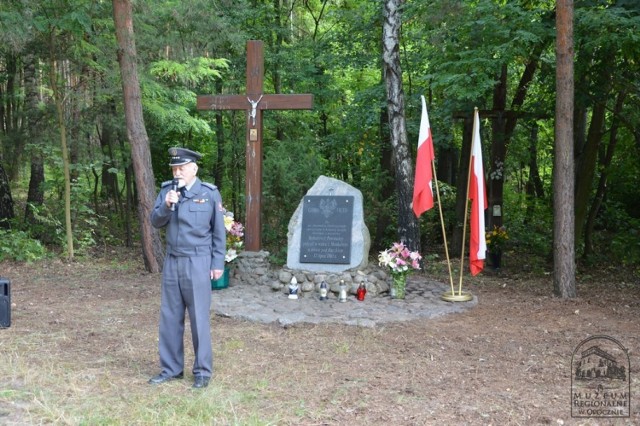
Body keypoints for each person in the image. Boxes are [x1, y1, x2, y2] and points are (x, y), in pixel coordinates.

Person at [149, 147, 226, 389]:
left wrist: (217, 263)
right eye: (174, 168)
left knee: (199, 318)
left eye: (181, 167)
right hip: (173, 261)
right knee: (170, 317)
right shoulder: (167, 191)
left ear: (194, 168)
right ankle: (171, 369)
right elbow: (155, 221)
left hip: (198, 261)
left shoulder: (209, 193)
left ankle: (202, 371)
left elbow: (218, 232)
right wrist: (167, 206)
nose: (177, 171)